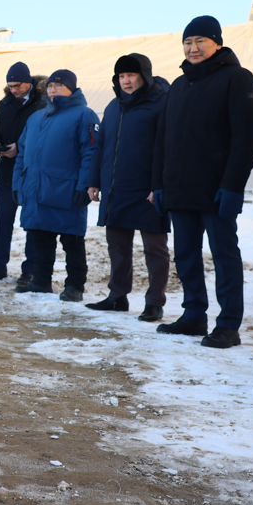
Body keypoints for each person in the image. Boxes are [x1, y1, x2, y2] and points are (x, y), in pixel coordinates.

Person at [152, 16, 253, 348]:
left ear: (217, 43)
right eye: (187, 42)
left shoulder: (237, 78)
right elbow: (162, 139)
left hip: (216, 190)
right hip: (180, 189)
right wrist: (159, 183)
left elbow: (247, 137)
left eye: (200, 41)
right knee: (185, 255)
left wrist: (232, 186)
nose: (193, 48)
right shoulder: (179, 86)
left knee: (224, 256)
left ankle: (228, 324)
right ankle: (193, 315)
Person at [85, 54, 171, 321]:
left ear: (144, 76)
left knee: (154, 249)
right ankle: (117, 296)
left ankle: (154, 302)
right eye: (121, 76)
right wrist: (93, 181)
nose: (126, 81)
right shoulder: (113, 107)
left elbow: (167, 148)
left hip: (147, 190)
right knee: (117, 246)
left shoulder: (161, 103)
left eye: (131, 75)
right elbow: (99, 146)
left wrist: (158, 186)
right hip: (117, 187)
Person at [12, 69, 99, 302]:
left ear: (72, 88)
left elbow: (91, 152)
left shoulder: (85, 115)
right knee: (40, 238)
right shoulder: (36, 118)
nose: (52, 90)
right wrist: (17, 184)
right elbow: (22, 154)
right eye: (50, 86)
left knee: (72, 241)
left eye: (58, 86)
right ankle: (41, 281)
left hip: (67, 190)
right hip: (36, 189)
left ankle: (74, 286)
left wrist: (85, 185)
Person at [0, 62, 46, 284]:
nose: (13, 89)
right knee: (2, 221)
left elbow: (45, 137)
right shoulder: (5, 103)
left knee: (30, 222)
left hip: (31, 173)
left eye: (17, 85)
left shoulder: (43, 103)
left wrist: (20, 149)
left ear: (28, 82)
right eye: (10, 86)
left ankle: (29, 270)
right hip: (6, 174)